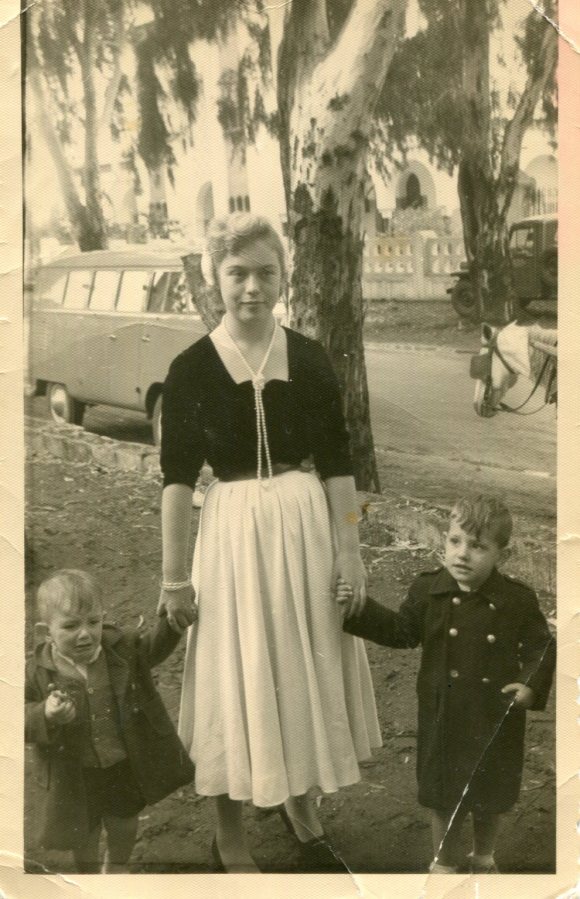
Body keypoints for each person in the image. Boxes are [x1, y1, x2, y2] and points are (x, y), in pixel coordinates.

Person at [158, 212, 381, 873]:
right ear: (212, 277)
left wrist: (349, 549)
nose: (252, 287)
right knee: (238, 668)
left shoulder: (308, 358)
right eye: (237, 273)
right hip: (230, 536)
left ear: (285, 276)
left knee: (305, 656)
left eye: (265, 272)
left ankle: (301, 796)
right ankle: (230, 829)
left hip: (307, 525)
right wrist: (174, 576)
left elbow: (339, 464)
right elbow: (175, 481)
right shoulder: (192, 368)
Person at [340, 495, 555, 874]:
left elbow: (541, 644)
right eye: (455, 541)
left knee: (490, 793)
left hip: (494, 716)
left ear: (500, 556)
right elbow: (401, 631)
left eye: (478, 546)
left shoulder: (517, 600)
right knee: (444, 793)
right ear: (445, 542)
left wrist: (529, 685)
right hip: (445, 714)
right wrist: (358, 607)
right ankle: (444, 862)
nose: (462, 554)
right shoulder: (430, 591)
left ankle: (484, 855)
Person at [25, 569, 194, 873]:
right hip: (74, 774)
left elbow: (153, 648)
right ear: (44, 631)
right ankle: (89, 879)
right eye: (71, 626)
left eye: (93, 621)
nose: (85, 633)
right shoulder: (36, 672)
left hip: (120, 764)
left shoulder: (121, 649)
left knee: (124, 824)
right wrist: (45, 714)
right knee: (84, 836)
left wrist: (171, 624)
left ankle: (116, 868)